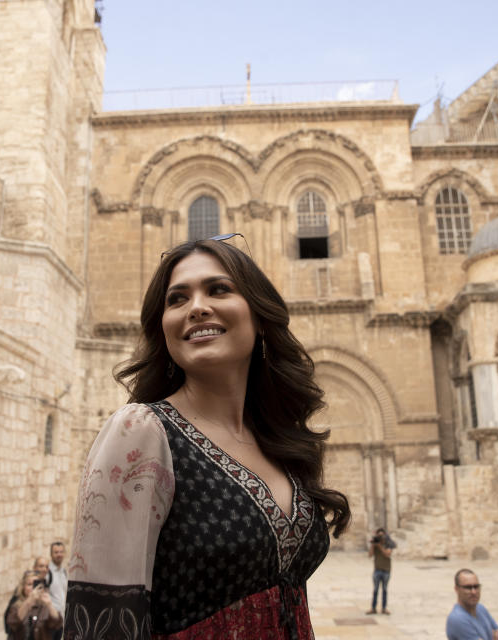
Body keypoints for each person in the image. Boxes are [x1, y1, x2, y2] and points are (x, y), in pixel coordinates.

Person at [66, 235, 350, 640]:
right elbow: (101, 622)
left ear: (258, 315)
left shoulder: (276, 439)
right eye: (177, 299)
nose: (197, 307)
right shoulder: (142, 431)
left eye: (218, 289)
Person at [446, 569, 498, 640]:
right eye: (468, 587)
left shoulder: (480, 608)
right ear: (456, 589)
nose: (474, 592)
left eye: (476, 587)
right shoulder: (457, 619)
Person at [6, 570, 64, 640]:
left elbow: (57, 623)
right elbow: (13, 623)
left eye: (35, 585)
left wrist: (49, 604)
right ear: (23, 587)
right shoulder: (16, 606)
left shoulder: (44, 608)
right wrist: (29, 601)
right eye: (29, 584)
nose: (32, 588)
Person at [366, 527, 392, 615]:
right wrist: (373, 545)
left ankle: (384, 608)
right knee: (375, 590)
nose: (380, 537)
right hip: (377, 570)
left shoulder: (388, 544)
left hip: (386, 571)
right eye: (379, 535)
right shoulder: (375, 544)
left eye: (382, 535)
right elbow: (370, 555)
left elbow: (387, 554)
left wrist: (379, 546)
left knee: (384, 590)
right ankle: (373, 608)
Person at [47, 542, 68, 640]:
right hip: (51, 621)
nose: (59, 554)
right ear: (51, 554)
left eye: (61, 552)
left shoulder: (64, 572)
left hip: (62, 621)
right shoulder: (47, 573)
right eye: (56, 552)